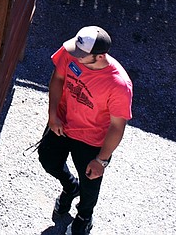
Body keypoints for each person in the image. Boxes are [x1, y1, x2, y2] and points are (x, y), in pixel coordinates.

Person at [37, 26, 133, 235]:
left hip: (92, 140)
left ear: (99, 57)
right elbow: (58, 79)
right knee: (47, 159)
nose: (74, 57)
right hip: (62, 123)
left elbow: (118, 126)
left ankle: (84, 216)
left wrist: (101, 160)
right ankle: (71, 186)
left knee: (90, 183)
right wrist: (52, 115)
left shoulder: (119, 85)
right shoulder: (71, 52)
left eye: (81, 56)